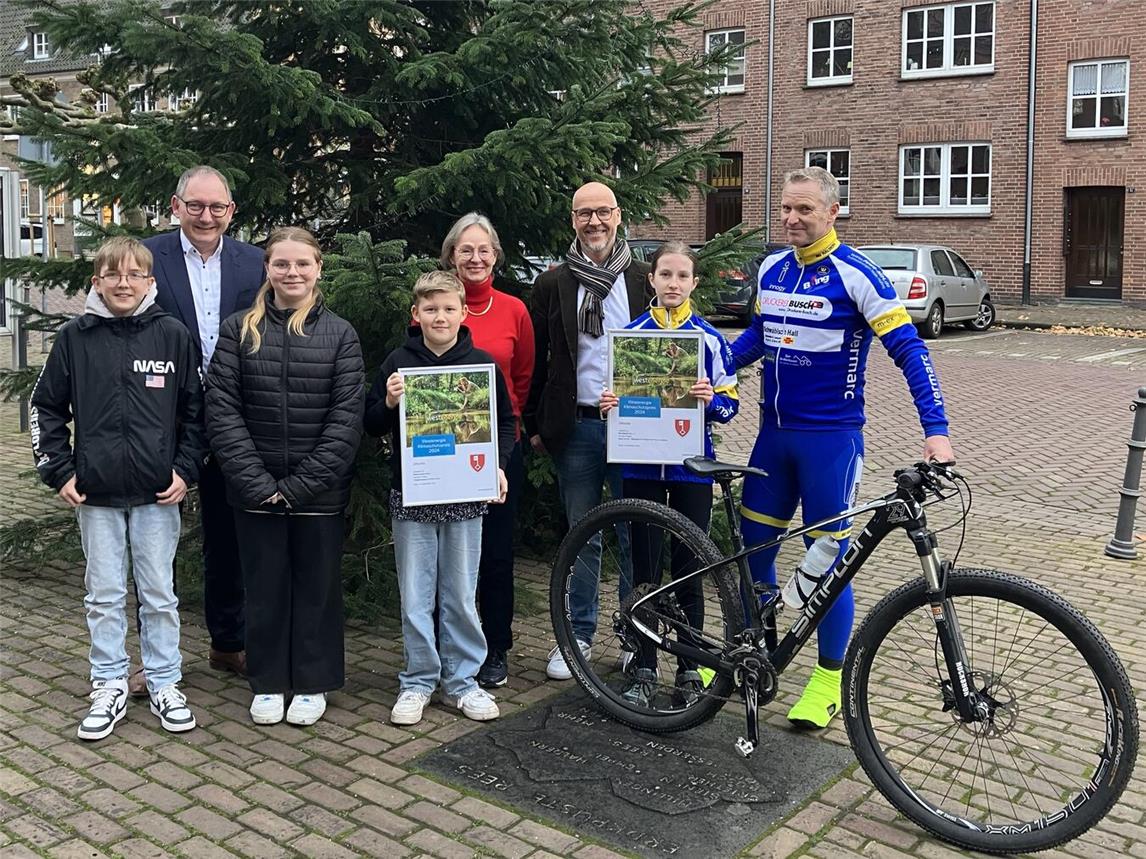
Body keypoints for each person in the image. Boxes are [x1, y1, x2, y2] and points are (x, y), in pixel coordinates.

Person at [731, 166, 956, 729]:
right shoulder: (771, 268)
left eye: (804, 209)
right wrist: (718, 369)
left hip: (831, 444)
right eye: (786, 208)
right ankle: (749, 651)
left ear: (833, 212)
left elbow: (910, 352)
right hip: (771, 440)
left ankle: (828, 680)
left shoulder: (860, 275)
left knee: (832, 563)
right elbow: (757, 337)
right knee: (753, 551)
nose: (791, 219)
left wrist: (937, 431)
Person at [29, 236, 204, 740]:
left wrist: (185, 470)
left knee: (159, 595)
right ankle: (108, 683)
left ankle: (165, 680)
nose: (123, 284)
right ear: (97, 281)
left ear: (150, 282)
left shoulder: (172, 336)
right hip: (96, 495)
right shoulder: (74, 339)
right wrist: (58, 471)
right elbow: (45, 408)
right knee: (103, 595)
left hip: (157, 493)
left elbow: (197, 410)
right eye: (113, 275)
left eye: (134, 275)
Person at [205, 227, 364, 727]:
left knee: (316, 586)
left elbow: (346, 419)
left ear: (319, 269)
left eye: (302, 264)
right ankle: (269, 681)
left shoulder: (340, 334)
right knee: (265, 584)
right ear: (267, 269)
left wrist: (298, 486)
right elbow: (222, 410)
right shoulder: (237, 330)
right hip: (253, 491)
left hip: (319, 491)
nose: (292, 273)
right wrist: (257, 482)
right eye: (281, 264)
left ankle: (314, 681)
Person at [365, 271, 515, 727]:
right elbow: (369, 424)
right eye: (430, 309)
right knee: (415, 594)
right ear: (417, 314)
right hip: (412, 496)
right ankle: (418, 679)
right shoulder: (397, 363)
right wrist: (388, 404)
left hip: (466, 497)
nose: (440, 316)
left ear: (462, 312)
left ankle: (462, 681)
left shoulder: (482, 365)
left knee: (460, 593)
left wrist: (500, 466)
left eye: (448, 308)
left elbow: (505, 423)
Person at [523, 181, 653, 681]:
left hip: (635, 428)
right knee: (583, 535)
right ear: (572, 220)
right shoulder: (553, 284)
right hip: (576, 427)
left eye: (602, 212)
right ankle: (577, 633)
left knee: (633, 531)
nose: (594, 222)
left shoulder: (643, 279)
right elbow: (539, 359)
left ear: (618, 216)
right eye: (584, 214)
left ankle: (636, 633)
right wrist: (536, 421)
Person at [599, 242, 739, 706]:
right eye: (665, 275)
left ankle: (689, 665)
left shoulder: (709, 340)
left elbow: (729, 406)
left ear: (694, 283)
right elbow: (612, 398)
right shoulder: (630, 337)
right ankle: (642, 665)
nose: (673, 284)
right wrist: (609, 408)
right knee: (643, 569)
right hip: (640, 466)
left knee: (687, 570)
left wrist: (709, 400)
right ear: (651, 281)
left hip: (691, 471)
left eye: (682, 276)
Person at [143, 165, 264, 689]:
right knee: (154, 543)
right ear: (176, 206)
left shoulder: (256, 262)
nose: (206, 216)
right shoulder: (148, 258)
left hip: (236, 418)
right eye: (195, 206)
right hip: (162, 419)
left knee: (228, 536)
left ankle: (227, 643)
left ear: (231, 211)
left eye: (217, 207)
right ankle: (157, 659)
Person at [439, 213, 535, 689]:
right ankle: (449, 643)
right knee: (449, 552)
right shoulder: (435, 305)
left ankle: (495, 646)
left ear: (495, 255)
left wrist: (508, 436)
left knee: (495, 553)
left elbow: (521, 379)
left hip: (497, 447)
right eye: (465, 250)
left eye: (484, 250)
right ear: (451, 255)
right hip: (441, 449)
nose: (475, 259)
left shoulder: (514, 309)